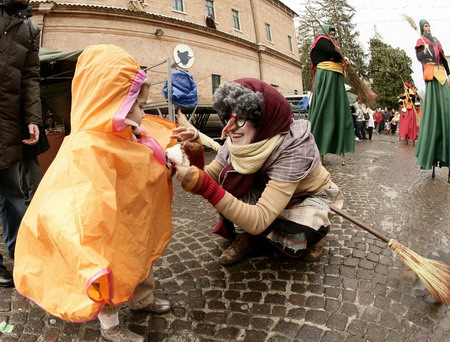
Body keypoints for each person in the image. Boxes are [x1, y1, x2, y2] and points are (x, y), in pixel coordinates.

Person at [14, 45, 175, 342]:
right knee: (109, 264)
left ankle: (141, 297)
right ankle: (110, 324)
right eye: (139, 106)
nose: (144, 113)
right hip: (103, 226)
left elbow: (138, 166)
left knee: (137, 256)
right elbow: (84, 209)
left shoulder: (125, 134)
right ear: (116, 104)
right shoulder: (88, 147)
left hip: (129, 219)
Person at [173, 79, 344, 266]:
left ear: (263, 120)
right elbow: (209, 176)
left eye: (241, 118)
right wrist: (195, 155)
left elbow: (259, 218)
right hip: (265, 190)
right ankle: (249, 237)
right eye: (229, 116)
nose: (229, 129)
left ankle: (316, 234)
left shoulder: (294, 147)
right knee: (232, 187)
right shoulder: (238, 139)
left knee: (298, 234)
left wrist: (206, 188)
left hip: (303, 197)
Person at [0, 0, 41, 287]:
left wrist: (33, 118)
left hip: (8, 122)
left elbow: (30, 77)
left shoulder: (30, 27)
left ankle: (20, 254)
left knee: (12, 193)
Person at [308, 24, 355, 165]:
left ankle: (340, 147)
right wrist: (341, 56)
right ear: (325, 31)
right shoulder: (321, 40)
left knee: (339, 110)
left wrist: (341, 57)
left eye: (334, 32)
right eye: (331, 31)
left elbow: (334, 53)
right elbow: (330, 52)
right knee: (324, 108)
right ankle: (318, 147)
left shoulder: (331, 43)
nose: (333, 33)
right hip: (327, 75)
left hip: (335, 77)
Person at [414, 19, 450, 180]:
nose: (428, 27)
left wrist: (448, 73)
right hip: (431, 74)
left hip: (441, 74)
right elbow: (420, 57)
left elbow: (442, 58)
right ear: (422, 28)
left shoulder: (436, 41)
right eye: (425, 26)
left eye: (429, 25)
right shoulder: (420, 41)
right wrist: (426, 51)